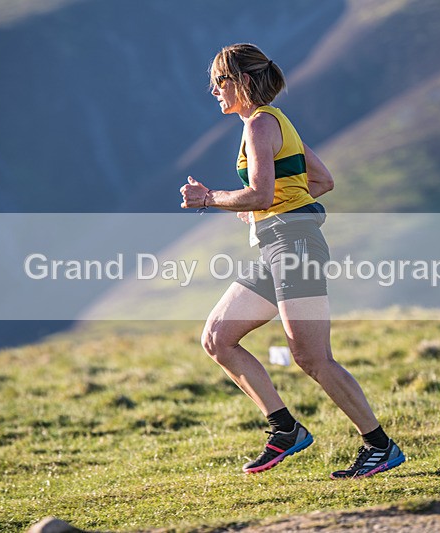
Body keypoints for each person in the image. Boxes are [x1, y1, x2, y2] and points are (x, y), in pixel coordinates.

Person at [179, 43, 405, 479]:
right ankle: (285, 430)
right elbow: (321, 180)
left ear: (242, 81)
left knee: (312, 357)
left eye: (219, 81)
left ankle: (380, 446)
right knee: (217, 338)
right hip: (279, 244)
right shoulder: (275, 123)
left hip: (293, 246)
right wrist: (266, 207)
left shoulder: (260, 124)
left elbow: (263, 192)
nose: (214, 90)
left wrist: (211, 198)